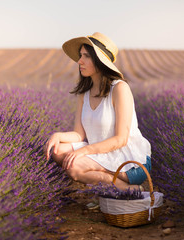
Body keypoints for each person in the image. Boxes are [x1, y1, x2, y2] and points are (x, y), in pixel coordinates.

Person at [44, 32, 151, 192]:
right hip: (100, 153)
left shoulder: (120, 89)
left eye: (86, 56)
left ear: (100, 61)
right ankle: (111, 187)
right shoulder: (84, 93)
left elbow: (121, 139)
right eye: (80, 55)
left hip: (129, 160)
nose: (79, 61)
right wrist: (57, 136)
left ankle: (130, 189)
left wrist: (84, 151)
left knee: (74, 167)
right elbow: (79, 134)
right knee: (58, 151)